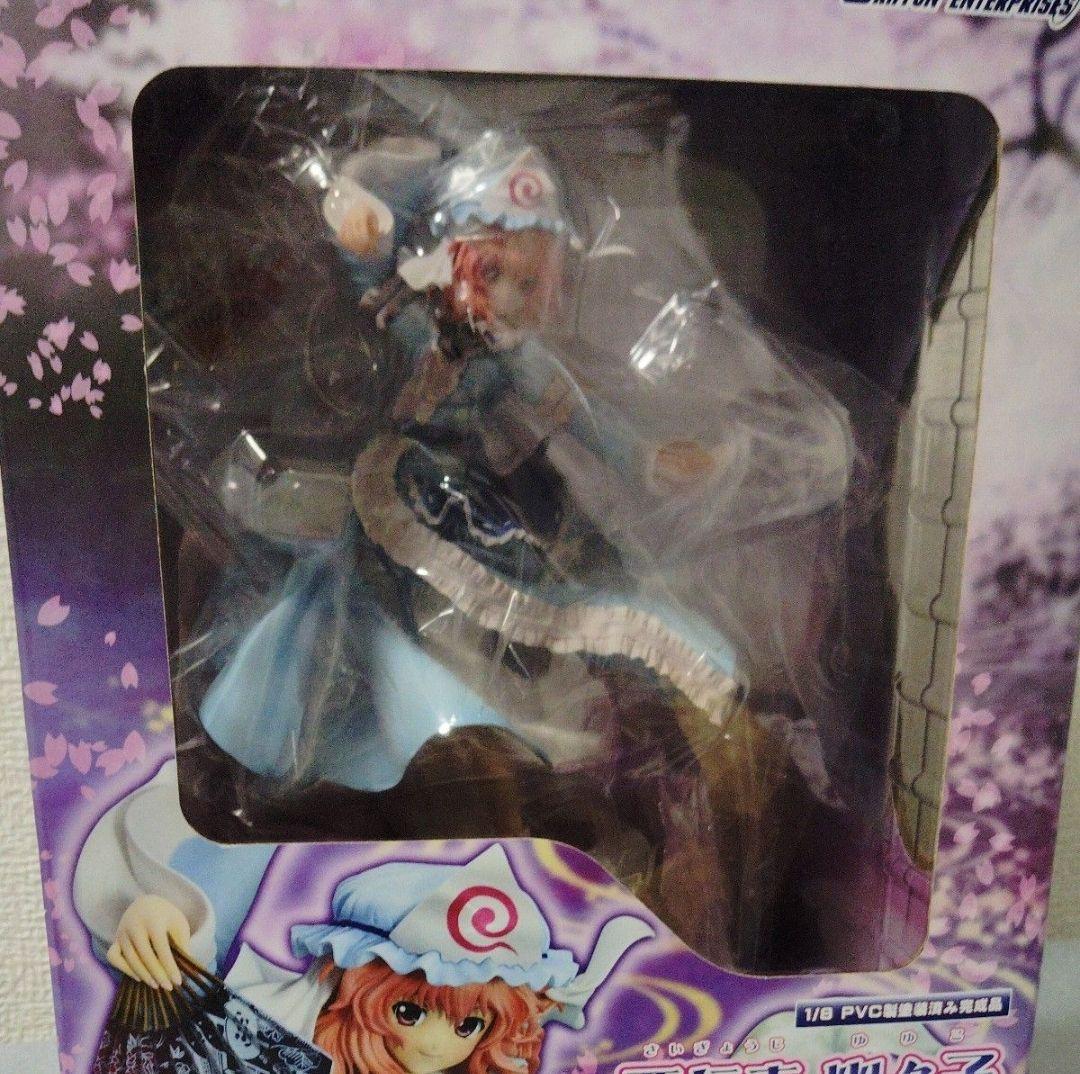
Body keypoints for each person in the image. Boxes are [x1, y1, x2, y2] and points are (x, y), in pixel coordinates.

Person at [74, 761, 653, 1074]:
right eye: (408, 1012)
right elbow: (212, 997)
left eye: (468, 1026)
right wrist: (160, 916)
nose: (434, 1046)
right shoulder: (296, 1031)